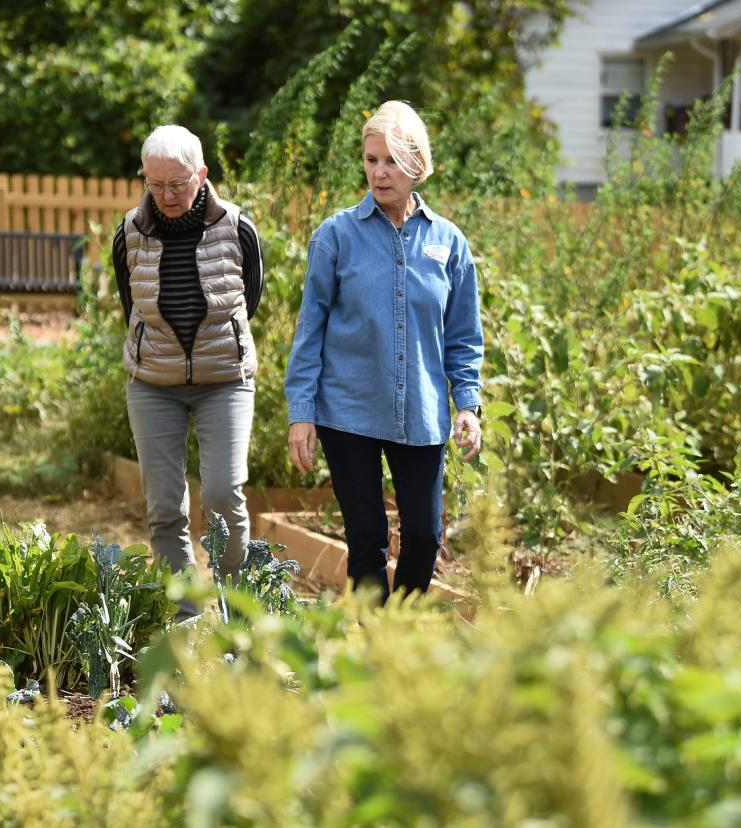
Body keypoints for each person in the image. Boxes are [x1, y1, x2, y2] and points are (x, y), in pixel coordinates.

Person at [284, 100, 484, 603]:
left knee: (424, 535)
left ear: (416, 165)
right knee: (367, 540)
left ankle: (402, 632)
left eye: (391, 161)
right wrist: (301, 413)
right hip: (347, 410)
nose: (378, 172)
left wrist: (468, 404)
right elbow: (310, 331)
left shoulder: (448, 244)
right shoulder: (336, 237)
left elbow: (463, 335)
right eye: (371, 160)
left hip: (420, 411)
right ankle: (375, 649)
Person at [113, 124, 264, 613]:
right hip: (153, 384)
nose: (166, 195)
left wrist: (208, 351)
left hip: (225, 380)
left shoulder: (236, 227)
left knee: (222, 493)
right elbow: (130, 304)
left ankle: (235, 611)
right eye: (154, 185)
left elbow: (249, 298)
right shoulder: (130, 232)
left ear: (202, 175)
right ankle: (188, 617)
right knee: (164, 507)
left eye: (177, 184)